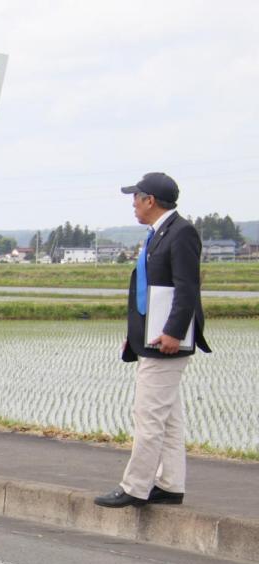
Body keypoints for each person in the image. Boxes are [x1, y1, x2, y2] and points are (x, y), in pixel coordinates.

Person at [95, 173, 211, 509]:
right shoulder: (157, 234)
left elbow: (187, 288)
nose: (132, 203)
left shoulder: (181, 232)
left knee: (147, 416)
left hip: (168, 341)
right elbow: (149, 291)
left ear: (150, 200)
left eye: (136, 197)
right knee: (169, 418)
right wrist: (134, 336)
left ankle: (135, 487)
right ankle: (170, 484)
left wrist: (174, 332)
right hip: (152, 337)